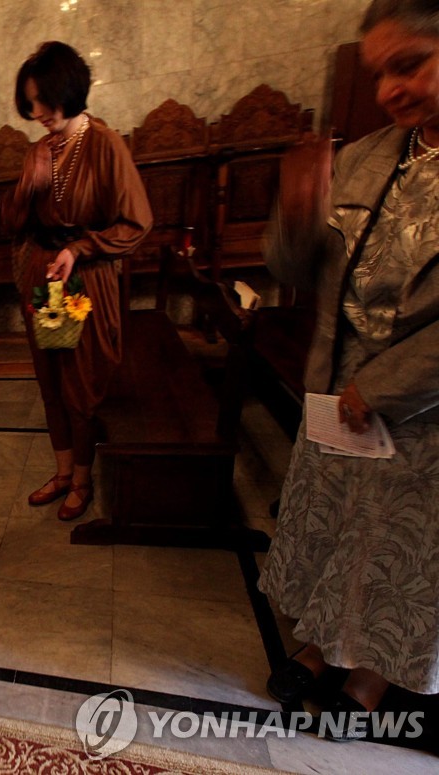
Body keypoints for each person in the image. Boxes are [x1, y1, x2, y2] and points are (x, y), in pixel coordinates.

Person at [258, 0, 439, 740]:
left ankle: (368, 672)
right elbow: (299, 268)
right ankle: (321, 645)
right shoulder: (369, 153)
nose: (392, 89)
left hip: (423, 407)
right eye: (380, 74)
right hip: (339, 383)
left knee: (390, 545)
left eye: (411, 65)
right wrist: (296, 214)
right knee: (338, 526)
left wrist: (385, 387)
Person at [4, 42, 152, 521]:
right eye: (30, 103)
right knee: (50, 380)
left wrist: (79, 248)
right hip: (44, 278)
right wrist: (28, 185)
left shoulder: (105, 144)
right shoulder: (39, 150)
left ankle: (84, 479)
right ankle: (63, 471)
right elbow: (13, 225)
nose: (37, 113)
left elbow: (136, 222)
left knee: (80, 384)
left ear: (67, 91)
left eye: (43, 100)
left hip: (85, 280)